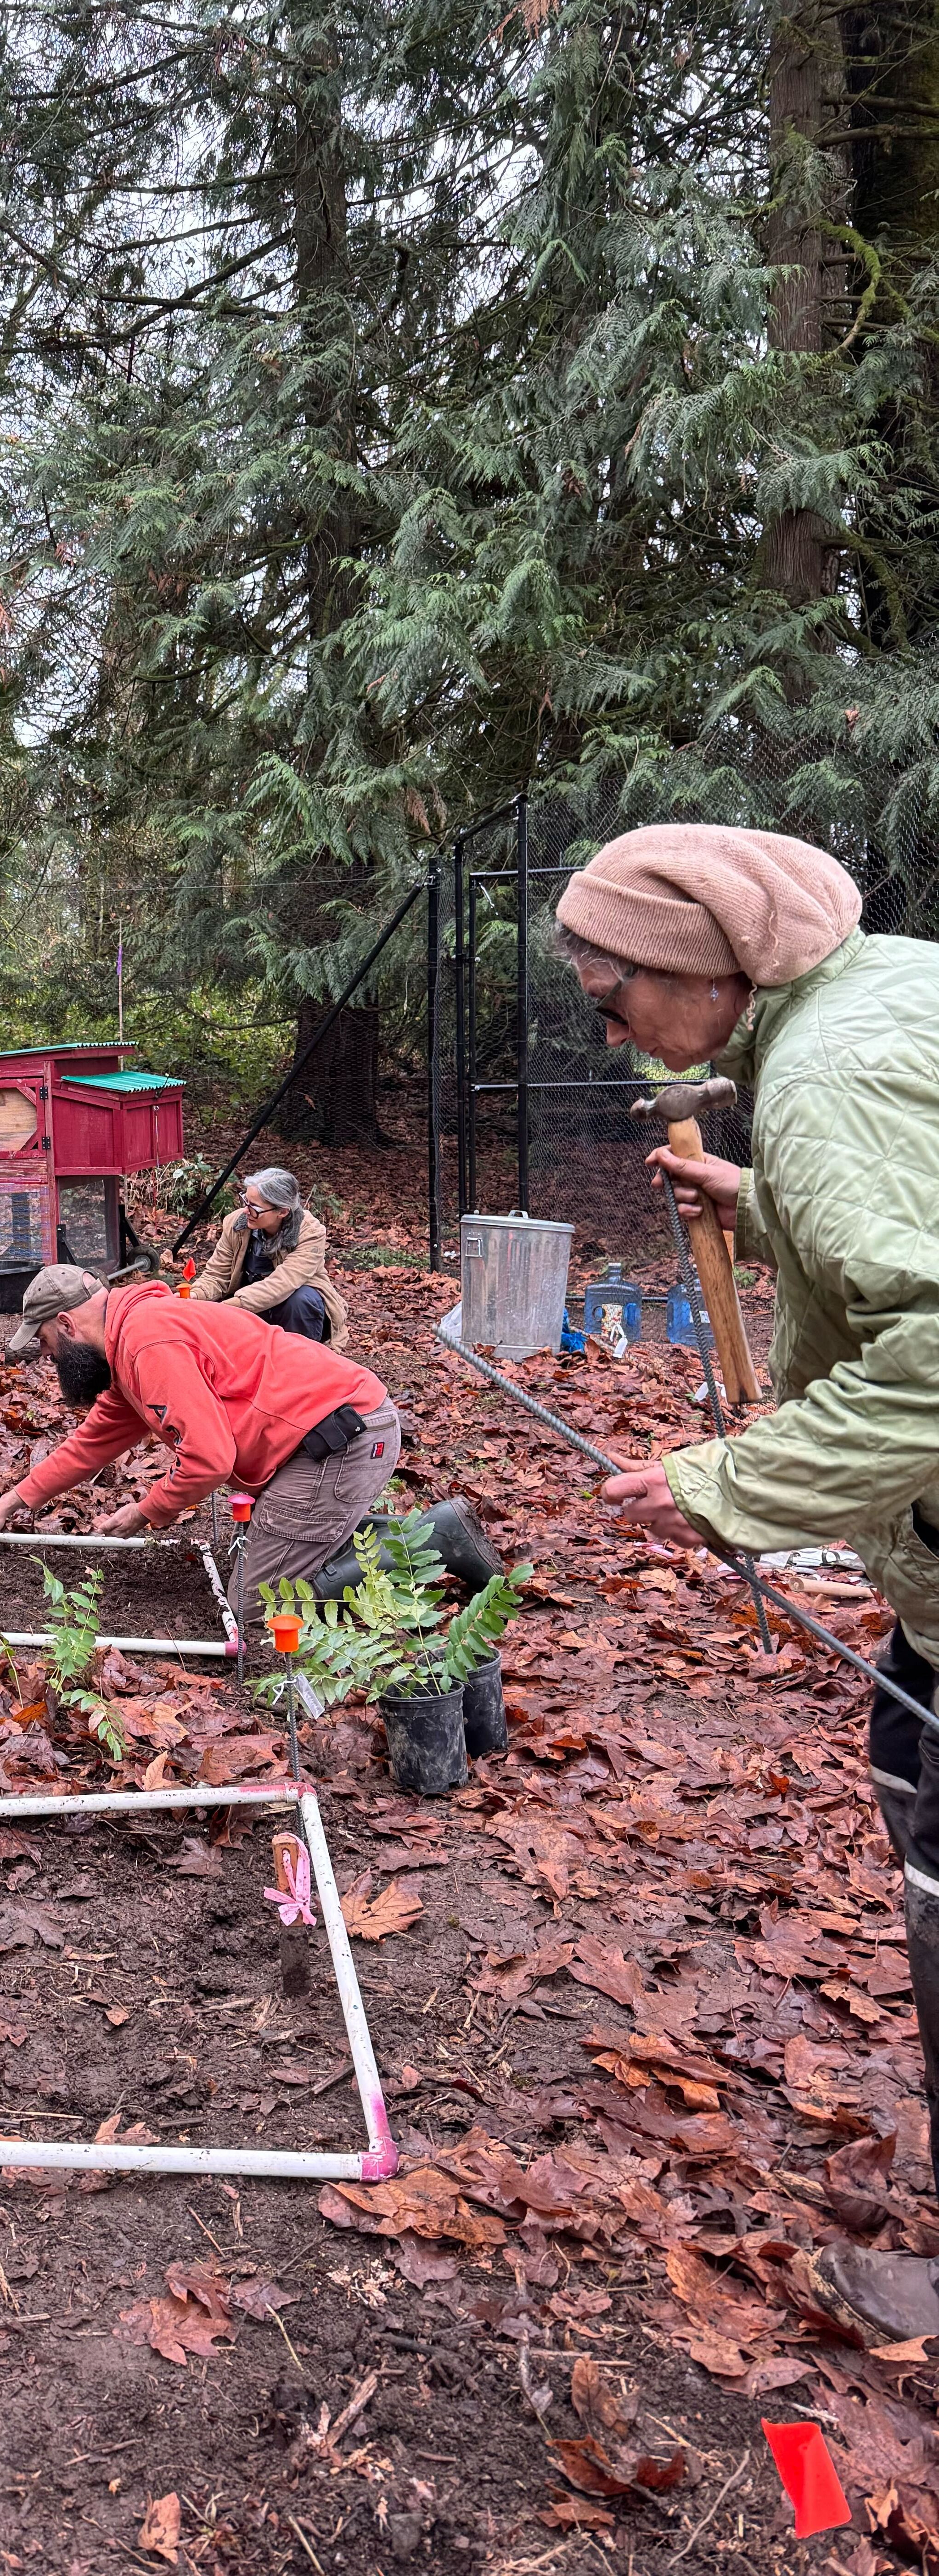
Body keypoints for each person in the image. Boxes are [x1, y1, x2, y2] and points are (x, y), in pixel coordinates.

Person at [553, 820, 939, 2344]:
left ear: (703, 973)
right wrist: (762, 1201)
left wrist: (728, 1485)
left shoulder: (827, 1070)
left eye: (611, 996)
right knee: (905, 1741)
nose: (607, 1028)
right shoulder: (886, 989)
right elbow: (896, 1231)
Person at [0, 1264, 406, 1614]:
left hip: (340, 1439)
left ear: (68, 1324)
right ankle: (383, 1537)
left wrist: (148, 1511)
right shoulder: (127, 1350)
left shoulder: (147, 1343)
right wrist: (5, 1506)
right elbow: (87, 1446)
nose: (48, 1355)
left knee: (255, 1610)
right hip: (319, 1439)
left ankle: (432, 1543)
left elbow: (209, 1461)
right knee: (275, 1563)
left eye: (46, 1341)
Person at [189, 1166, 348, 1344]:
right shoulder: (236, 1224)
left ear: (283, 1211)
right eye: (246, 1201)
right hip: (248, 1302)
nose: (246, 1211)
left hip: (291, 1310)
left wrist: (229, 1307)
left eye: (255, 1207)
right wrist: (194, 1296)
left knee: (301, 1300)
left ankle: (300, 1357)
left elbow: (281, 1285)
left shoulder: (310, 1233)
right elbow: (217, 1275)